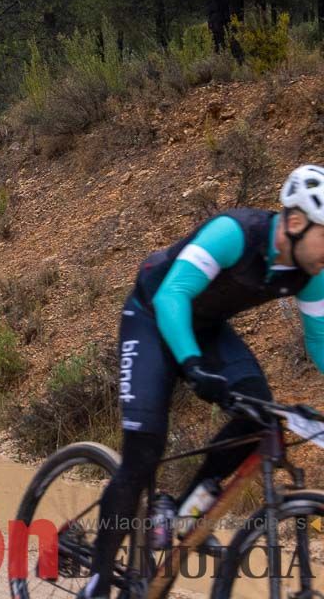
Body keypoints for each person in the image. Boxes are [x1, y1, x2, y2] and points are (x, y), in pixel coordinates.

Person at [78, 164, 324, 599]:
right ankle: (96, 584)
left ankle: (179, 512)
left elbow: (321, 342)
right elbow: (173, 295)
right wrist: (192, 367)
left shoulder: (310, 273)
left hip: (207, 327)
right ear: (297, 221)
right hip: (153, 316)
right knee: (144, 452)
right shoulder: (235, 233)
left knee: (258, 414)